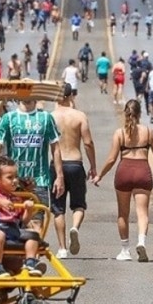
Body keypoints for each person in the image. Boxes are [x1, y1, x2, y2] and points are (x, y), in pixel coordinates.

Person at [93, 99, 153, 262]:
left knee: (123, 213)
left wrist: (100, 175)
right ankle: (141, 242)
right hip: (142, 171)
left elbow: (112, 159)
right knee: (142, 212)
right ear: (140, 113)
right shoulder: (149, 132)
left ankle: (125, 250)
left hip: (124, 171)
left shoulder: (119, 133)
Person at [0, 94, 65, 219]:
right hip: (13, 182)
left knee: (36, 222)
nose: (27, 95)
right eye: (24, 91)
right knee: (13, 220)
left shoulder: (45, 118)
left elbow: (55, 148)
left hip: (39, 180)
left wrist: (60, 177)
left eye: (30, 92)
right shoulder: (8, 118)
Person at [50, 84, 97, 259]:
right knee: (78, 205)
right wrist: (93, 166)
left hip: (57, 165)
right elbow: (88, 143)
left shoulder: (50, 117)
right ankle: (75, 227)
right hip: (75, 163)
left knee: (58, 208)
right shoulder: (79, 116)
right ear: (71, 96)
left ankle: (62, 248)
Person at [0, 155, 44, 277]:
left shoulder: (16, 197)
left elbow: (23, 220)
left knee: (33, 235)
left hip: (12, 228)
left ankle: (30, 262)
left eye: (16, 177)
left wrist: (28, 209)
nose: (15, 181)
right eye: (10, 177)